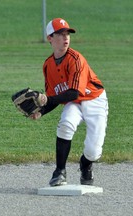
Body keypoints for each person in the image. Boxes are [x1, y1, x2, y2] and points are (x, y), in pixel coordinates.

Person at [30, 18, 108, 186]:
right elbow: (53, 96)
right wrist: (41, 111)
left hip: (94, 99)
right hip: (73, 102)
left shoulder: (76, 59)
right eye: (60, 34)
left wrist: (48, 100)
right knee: (65, 124)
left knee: (93, 152)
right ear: (50, 38)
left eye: (67, 34)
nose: (66, 38)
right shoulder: (48, 65)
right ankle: (60, 172)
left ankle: (86, 164)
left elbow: (73, 92)